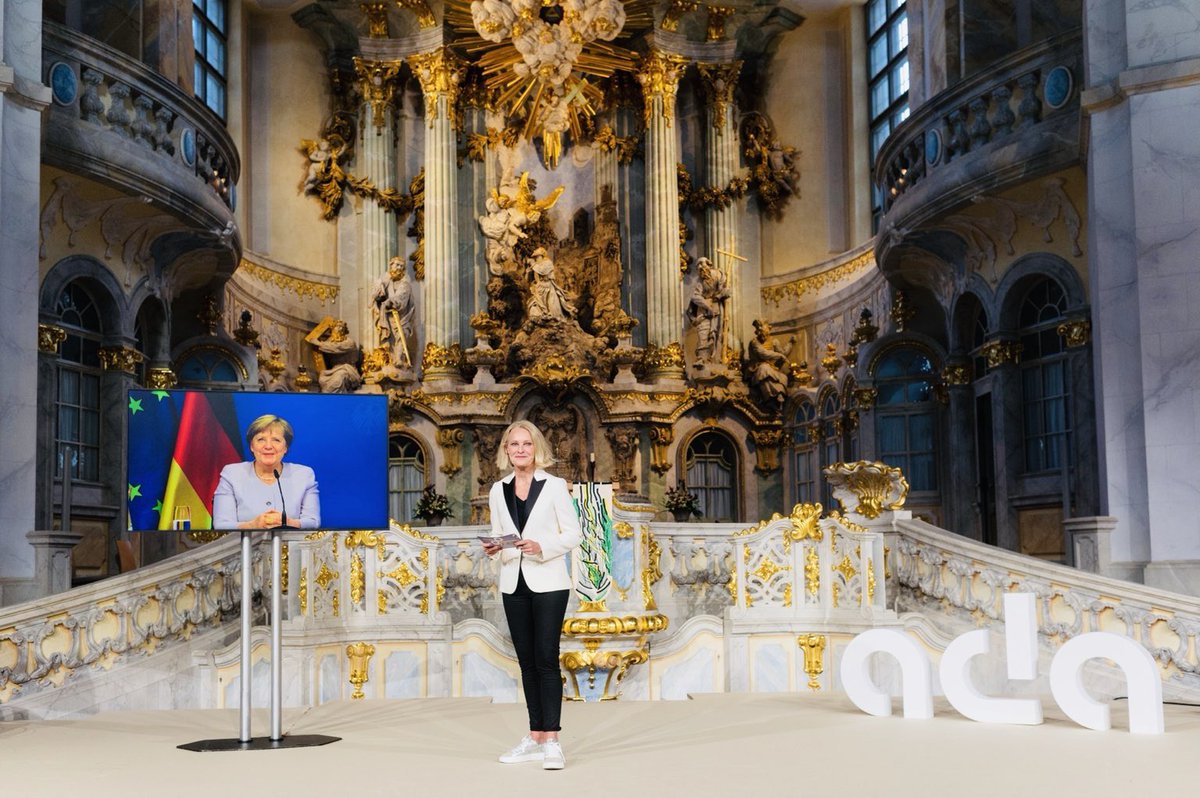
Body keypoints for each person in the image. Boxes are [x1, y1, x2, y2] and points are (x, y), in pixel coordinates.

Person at [483, 420, 582, 770]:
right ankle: (535, 735)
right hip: (514, 580)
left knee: (545, 658)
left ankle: (552, 740)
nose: (520, 449)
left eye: (526, 444)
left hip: (550, 582)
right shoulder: (499, 490)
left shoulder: (555, 486)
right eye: (514, 444)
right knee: (526, 662)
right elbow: (499, 532)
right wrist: (495, 547)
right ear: (506, 451)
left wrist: (543, 545)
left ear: (536, 448)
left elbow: (574, 534)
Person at [212, 415, 320, 530]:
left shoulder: (304, 475)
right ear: (252, 446)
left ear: (286, 447)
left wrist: (288, 522)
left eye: (276, 440)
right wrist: (252, 525)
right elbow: (221, 524)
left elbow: (313, 522)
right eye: (261, 439)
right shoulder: (232, 474)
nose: (268, 446)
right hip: (244, 545)